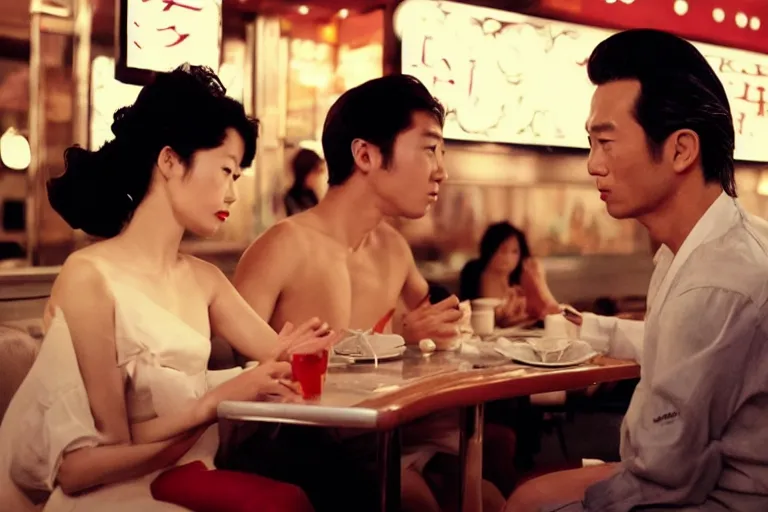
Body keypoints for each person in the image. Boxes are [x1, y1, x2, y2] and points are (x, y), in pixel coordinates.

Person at [0, 64, 336, 512]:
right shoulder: (89, 275)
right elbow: (110, 444)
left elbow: (282, 360)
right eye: (226, 171)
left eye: (236, 177)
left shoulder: (204, 279)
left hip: (188, 475)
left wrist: (295, 355)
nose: (233, 195)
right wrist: (216, 401)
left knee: (295, 495)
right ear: (169, 161)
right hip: (115, 492)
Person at [505, 29, 768, 512]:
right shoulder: (710, 243)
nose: (591, 165)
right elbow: (680, 346)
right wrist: (580, 325)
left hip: (720, 499)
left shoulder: (716, 282)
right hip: (693, 479)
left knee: (525, 500)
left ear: (681, 150)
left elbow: (662, 477)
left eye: (606, 142)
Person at [232, 74, 509, 512]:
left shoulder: (393, 248)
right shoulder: (284, 246)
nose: (442, 169)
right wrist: (402, 337)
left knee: (487, 498)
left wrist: (435, 330)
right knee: (418, 501)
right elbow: (229, 370)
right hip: (294, 444)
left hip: (385, 431)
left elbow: (443, 328)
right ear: (365, 154)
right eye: (429, 148)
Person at [459, 221, 560, 327]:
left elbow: (548, 311)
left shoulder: (521, 279)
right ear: (490, 249)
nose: (508, 258)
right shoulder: (478, 274)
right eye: (503, 250)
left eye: (514, 252)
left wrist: (538, 281)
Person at [283, 148, 327, 216]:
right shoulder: (291, 197)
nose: (317, 178)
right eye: (315, 172)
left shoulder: (311, 194)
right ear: (305, 172)